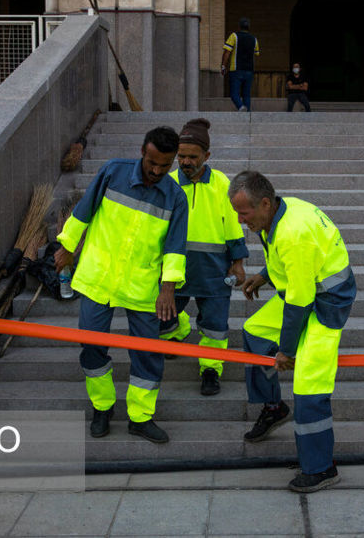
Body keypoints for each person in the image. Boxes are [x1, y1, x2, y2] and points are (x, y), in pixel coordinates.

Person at [54, 127, 188, 444]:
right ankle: (103, 407)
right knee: (91, 346)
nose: (156, 171)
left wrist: (168, 288)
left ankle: (140, 417)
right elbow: (84, 209)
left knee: (148, 352)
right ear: (143, 151)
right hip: (98, 278)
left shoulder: (175, 197)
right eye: (152, 163)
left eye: (164, 166)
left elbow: (175, 246)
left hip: (141, 286)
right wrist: (67, 245)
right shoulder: (112, 171)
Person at [229, 171, 356, 493]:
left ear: (266, 203)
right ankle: (274, 407)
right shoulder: (277, 215)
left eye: (244, 213)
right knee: (254, 331)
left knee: (309, 386)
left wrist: (287, 350)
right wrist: (264, 275)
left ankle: (322, 469)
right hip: (304, 291)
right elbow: (287, 264)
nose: (241, 220)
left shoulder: (293, 233)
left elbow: (300, 301)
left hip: (325, 304)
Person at [158, 119, 248, 396]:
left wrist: (238, 261)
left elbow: (232, 224)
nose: (185, 162)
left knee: (215, 326)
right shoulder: (167, 183)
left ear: (207, 157)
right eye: (181, 156)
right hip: (175, 269)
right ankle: (178, 331)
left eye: (192, 157)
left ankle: (211, 369)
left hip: (214, 270)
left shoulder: (221, 182)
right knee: (163, 319)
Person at [222, 17, 260, 112]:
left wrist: (223, 66)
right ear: (249, 27)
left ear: (239, 26)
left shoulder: (234, 36)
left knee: (234, 94)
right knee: (246, 95)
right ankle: (247, 115)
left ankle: (240, 107)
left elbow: (227, 52)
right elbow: (256, 53)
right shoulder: (254, 39)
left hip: (236, 69)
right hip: (249, 70)